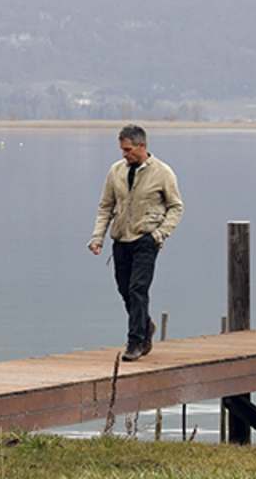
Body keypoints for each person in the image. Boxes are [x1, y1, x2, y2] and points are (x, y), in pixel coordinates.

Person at [87, 125, 184, 361]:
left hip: (146, 239)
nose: (124, 154)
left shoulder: (162, 172)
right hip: (121, 240)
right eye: (122, 149)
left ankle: (135, 342)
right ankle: (146, 325)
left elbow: (176, 207)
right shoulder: (115, 171)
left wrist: (159, 235)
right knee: (124, 290)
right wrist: (97, 237)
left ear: (142, 146)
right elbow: (106, 207)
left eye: (128, 149)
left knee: (138, 289)